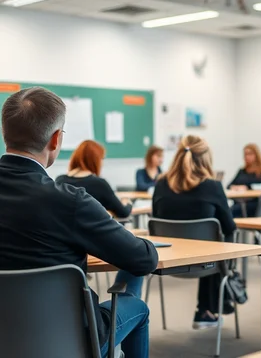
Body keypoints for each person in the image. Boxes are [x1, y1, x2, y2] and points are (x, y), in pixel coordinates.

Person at [0, 87, 158, 358]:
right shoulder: (69, 202)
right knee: (137, 308)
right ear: (55, 139)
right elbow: (143, 260)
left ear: (5, 133)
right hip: (69, 336)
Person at [152, 135, 236, 329]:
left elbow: (156, 218)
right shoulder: (213, 186)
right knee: (213, 246)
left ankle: (206, 310)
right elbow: (229, 226)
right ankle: (208, 310)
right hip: (205, 263)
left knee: (207, 245)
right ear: (206, 158)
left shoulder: (161, 184)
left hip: (165, 259)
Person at [56, 140, 132, 219]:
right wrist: (127, 203)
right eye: (102, 159)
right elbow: (123, 213)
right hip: (91, 230)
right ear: (96, 160)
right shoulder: (99, 184)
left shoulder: (60, 180)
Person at [228, 143, 261, 217]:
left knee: (231, 212)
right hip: (239, 203)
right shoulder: (242, 171)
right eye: (245, 154)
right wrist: (235, 187)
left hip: (255, 204)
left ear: (256, 155)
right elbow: (229, 186)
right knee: (226, 212)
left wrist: (247, 187)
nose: (247, 157)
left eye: (250, 154)